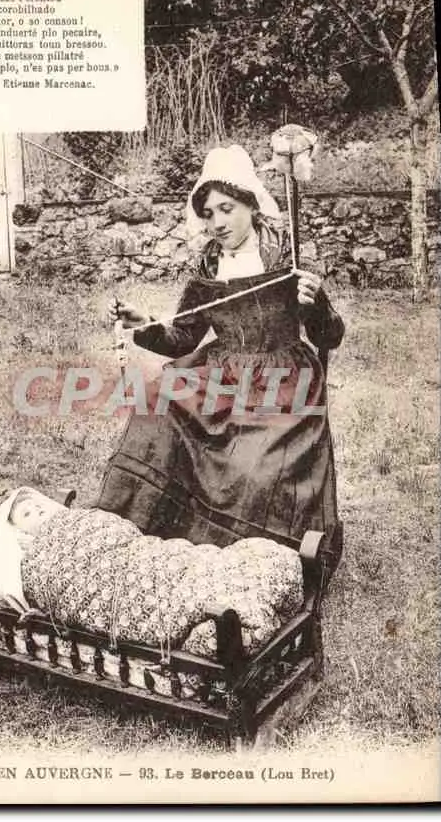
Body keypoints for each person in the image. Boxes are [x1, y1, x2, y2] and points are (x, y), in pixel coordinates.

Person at [100, 144, 345, 575]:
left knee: (254, 465)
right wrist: (144, 323)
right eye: (208, 213)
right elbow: (183, 337)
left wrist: (317, 303)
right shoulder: (209, 266)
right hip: (224, 374)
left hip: (284, 380)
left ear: (251, 204)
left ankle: (259, 562)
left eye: (226, 209)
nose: (217, 223)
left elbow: (330, 336)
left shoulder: (287, 257)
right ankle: (141, 534)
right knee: (156, 402)